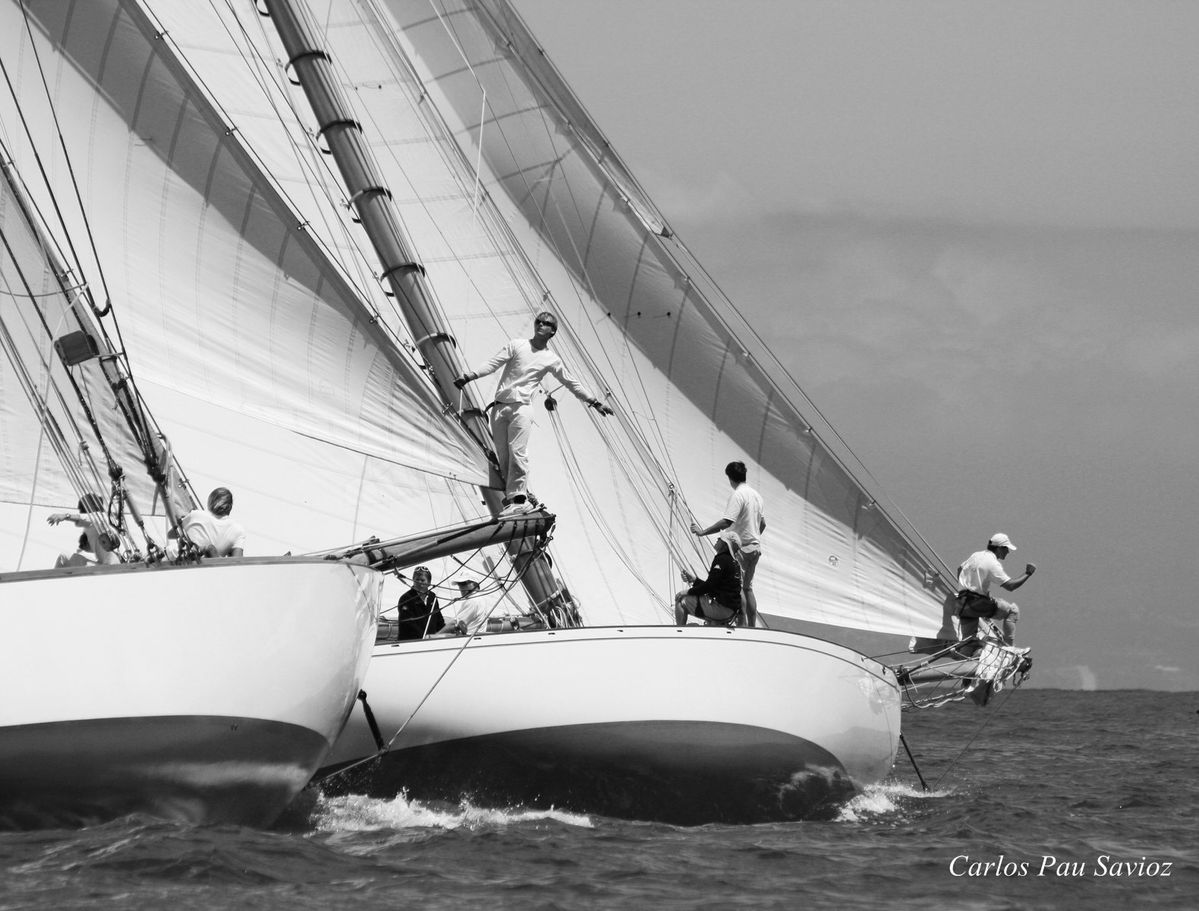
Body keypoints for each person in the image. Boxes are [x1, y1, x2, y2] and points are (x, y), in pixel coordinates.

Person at [454, 311, 613, 512]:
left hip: (522, 408)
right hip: (499, 407)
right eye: (538, 321)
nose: (540, 324)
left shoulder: (551, 359)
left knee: (517, 451)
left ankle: (519, 499)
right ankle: (512, 501)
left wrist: (594, 401)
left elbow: (571, 383)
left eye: (545, 323)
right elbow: (493, 364)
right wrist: (470, 376)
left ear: (552, 331)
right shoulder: (517, 345)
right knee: (503, 456)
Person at [689, 461, 766, 627]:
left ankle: (742, 626)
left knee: (738, 589)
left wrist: (703, 532)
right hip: (755, 548)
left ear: (731, 478)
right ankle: (752, 627)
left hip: (742, 548)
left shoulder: (738, 495)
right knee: (748, 588)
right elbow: (763, 524)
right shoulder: (757, 496)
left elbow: (726, 522)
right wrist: (754, 536)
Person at [956, 533, 1037, 646]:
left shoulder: (976, 555)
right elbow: (1010, 586)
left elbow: (960, 569)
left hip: (962, 604)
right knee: (1012, 611)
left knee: (969, 643)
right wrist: (1028, 573)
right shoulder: (992, 562)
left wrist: (966, 586)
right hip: (976, 604)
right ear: (999, 548)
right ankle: (1009, 648)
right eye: (1006, 549)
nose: (1008, 552)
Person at [675, 530, 744, 626]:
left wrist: (686, 592)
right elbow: (715, 586)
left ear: (725, 545)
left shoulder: (721, 559)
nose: (717, 539)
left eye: (720, 539)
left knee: (681, 600)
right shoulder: (734, 563)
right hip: (730, 611)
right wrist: (694, 580)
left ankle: (679, 634)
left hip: (721, 610)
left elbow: (709, 587)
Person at [48, 493, 120, 566]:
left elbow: (83, 517)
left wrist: (65, 516)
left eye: (81, 509)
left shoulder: (98, 517)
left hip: (110, 565)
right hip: (104, 564)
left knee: (64, 558)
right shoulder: (98, 526)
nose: (80, 511)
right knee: (67, 557)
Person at [180, 487, 246, 557]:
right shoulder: (237, 529)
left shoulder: (195, 515)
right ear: (230, 507)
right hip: (212, 564)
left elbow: (173, 533)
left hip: (186, 562)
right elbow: (237, 561)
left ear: (209, 503)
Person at [395, 565, 446, 640]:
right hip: (410, 642)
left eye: (422, 580)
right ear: (413, 580)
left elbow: (439, 620)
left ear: (429, 583)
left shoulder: (432, 597)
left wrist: (444, 633)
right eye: (417, 580)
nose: (419, 582)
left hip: (429, 641)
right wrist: (424, 638)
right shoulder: (406, 598)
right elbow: (407, 624)